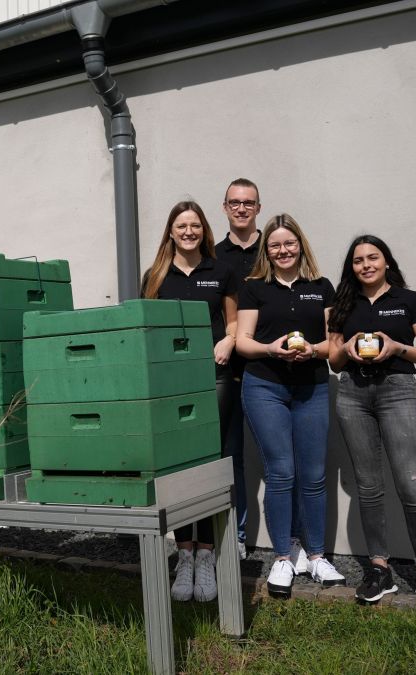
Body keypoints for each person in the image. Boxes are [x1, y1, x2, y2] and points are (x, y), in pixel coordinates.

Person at [327, 235, 416, 609]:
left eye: (372, 257)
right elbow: (333, 360)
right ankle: (379, 569)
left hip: (397, 390)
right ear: (352, 267)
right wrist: (345, 351)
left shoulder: (409, 300)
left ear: (386, 261)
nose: (366, 265)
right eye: (358, 260)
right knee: (369, 486)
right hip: (353, 395)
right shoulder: (343, 305)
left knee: (411, 487)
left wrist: (397, 348)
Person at [235, 214, 346, 598]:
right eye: (275, 245)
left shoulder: (322, 287)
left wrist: (312, 350)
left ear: (301, 244)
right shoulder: (254, 288)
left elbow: (335, 345)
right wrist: (271, 349)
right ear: (267, 251)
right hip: (265, 386)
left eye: (289, 243)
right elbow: (243, 341)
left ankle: (315, 556)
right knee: (281, 472)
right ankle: (283, 557)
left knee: (314, 474)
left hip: (311, 387)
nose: (283, 251)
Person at [141, 201, 237, 603]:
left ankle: (208, 555)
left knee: (212, 462)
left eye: (195, 225)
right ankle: (184, 553)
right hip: (172, 382)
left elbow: (233, 321)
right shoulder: (155, 276)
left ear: (204, 230)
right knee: (180, 465)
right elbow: (144, 325)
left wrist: (229, 341)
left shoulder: (222, 271)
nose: (188, 231)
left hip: (215, 376)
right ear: (170, 232)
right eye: (181, 225)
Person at [211, 178, 261, 561]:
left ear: (258, 207)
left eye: (249, 202)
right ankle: (236, 535)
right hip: (228, 373)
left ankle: (291, 542)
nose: (241, 208)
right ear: (225, 207)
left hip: (269, 369)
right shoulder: (213, 257)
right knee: (231, 457)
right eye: (235, 203)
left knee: (281, 461)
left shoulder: (276, 248)